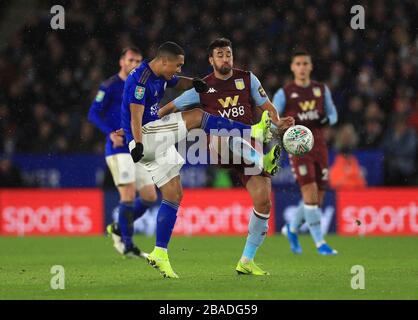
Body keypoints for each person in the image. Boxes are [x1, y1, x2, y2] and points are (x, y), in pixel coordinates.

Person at [120, 41, 273, 278]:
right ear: (164, 61)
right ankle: (253, 131)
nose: (178, 70)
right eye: (177, 65)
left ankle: (160, 253)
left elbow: (177, 81)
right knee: (197, 116)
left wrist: (194, 83)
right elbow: (135, 114)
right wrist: (137, 142)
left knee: (174, 194)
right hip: (146, 137)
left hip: (154, 141)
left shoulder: (162, 73)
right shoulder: (139, 80)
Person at [159, 38, 294, 275]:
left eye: (228, 53)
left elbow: (267, 107)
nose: (225, 58)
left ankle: (246, 261)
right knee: (223, 135)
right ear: (211, 60)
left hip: (248, 146)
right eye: (220, 54)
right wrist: (143, 123)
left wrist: (278, 122)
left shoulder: (248, 79)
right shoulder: (203, 87)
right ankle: (262, 160)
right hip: (219, 146)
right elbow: (170, 107)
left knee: (263, 201)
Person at [88, 47, 158, 258]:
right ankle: (127, 244)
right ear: (121, 61)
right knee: (127, 194)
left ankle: (118, 227)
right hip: (118, 149)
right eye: (130, 60)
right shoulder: (110, 86)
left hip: (137, 146)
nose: (134, 64)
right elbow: (93, 113)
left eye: (138, 61)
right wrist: (110, 132)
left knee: (149, 196)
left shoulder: (141, 86)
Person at [273, 50, 338, 255]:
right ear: (292, 67)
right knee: (309, 194)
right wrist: (282, 127)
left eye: (305, 63)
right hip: (299, 150)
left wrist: (324, 120)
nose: (302, 67)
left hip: (319, 146)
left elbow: (334, 115)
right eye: (298, 64)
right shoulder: (285, 92)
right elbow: (273, 121)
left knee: (317, 199)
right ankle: (320, 244)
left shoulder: (320, 90)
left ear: (310, 67)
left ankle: (291, 229)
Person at [329, 123, 366, 189]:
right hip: (338, 193)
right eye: (344, 135)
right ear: (339, 137)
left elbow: (362, 183)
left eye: (349, 135)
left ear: (354, 137)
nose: (346, 138)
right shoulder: (331, 157)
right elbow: (333, 182)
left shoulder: (360, 157)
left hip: (356, 193)